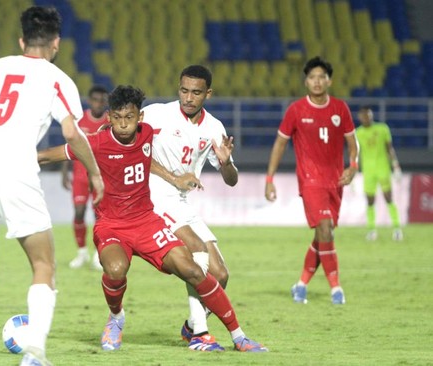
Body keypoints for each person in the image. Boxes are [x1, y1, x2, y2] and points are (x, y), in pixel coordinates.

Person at [38, 85, 267, 353]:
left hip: (146, 221)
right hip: (111, 225)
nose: (124, 125)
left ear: (140, 118)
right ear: (109, 117)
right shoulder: (96, 143)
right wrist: (12, 164)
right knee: (115, 270)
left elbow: (146, 158)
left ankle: (238, 337)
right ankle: (116, 319)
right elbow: (46, 155)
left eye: (130, 118)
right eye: (118, 118)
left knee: (194, 269)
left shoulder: (146, 134)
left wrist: (175, 177)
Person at [0, 6, 103, 366]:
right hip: (16, 172)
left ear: (21, 40)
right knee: (43, 265)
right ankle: (35, 354)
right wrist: (95, 173)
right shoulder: (57, 79)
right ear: (56, 42)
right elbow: (72, 134)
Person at [143, 65, 266, 352]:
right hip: (155, 195)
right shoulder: (157, 114)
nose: (188, 97)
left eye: (196, 92)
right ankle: (200, 334)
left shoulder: (214, 128)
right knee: (197, 250)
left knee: (220, 274)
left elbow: (231, 181)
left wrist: (226, 164)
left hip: (181, 201)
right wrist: (174, 178)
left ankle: (189, 325)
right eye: (184, 90)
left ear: (207, 93)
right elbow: (134, 151)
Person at [264, 56, 358, 306]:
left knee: (322, 235)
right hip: (310, 180)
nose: (317, 81)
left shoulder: (340, 108)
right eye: (312, 77)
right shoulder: (296, 110)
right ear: (306, 82)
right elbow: (280, 144)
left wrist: (354, 166)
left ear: (329, 81)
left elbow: (352, 142)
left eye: (321, 77)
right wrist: (270, 178)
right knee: (325, 229)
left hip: (335, 181)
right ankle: (336, 289)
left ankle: (301, 284)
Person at [60, 85, 109, 270]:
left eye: (102, 100)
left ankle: (98, 254)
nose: (98, 103)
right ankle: (81, 253)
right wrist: (65, 172)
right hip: (80, 174)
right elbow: (70, 144)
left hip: (100, 176)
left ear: (106, 102)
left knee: (100, 216)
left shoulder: (109, 121)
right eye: (95, 100)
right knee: (79, 213)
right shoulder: (79, 120)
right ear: (90, 101)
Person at [356, 106, 403, 241]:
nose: (367, 118)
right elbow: (355, 154)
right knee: (370, 201)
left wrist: (396, 166)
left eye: (369, 115)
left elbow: (390, 149)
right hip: (368, 171)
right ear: (360, 117)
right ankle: (371, 230)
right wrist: (354, 172)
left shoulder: (383, 129)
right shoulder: (357, 133)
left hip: (383, 169)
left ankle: (397, 228)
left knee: (389, 198)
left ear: (372, 116)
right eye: (364, 116)